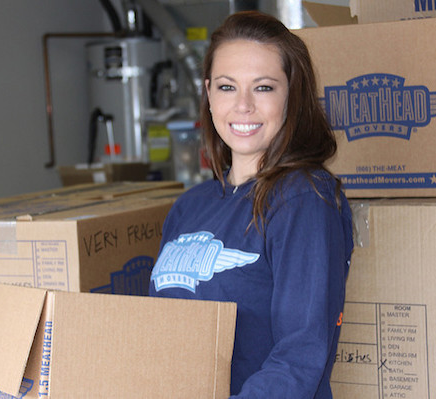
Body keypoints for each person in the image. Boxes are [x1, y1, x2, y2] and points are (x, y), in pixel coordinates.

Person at [149, 10, 353, 398]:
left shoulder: (303, 200)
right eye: (227, 87)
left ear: (292, 95)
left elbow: (301, 353)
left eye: (263, 87)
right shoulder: (188, 208)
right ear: (208, 93)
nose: (243, 105)